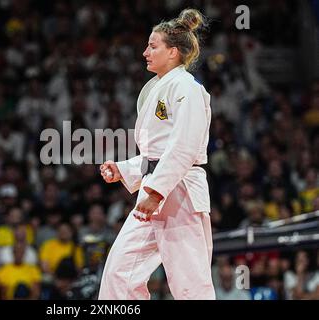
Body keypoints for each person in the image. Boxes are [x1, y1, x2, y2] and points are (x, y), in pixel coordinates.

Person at [98, 9, 215, 300]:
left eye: (153, 46)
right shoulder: (160, 87)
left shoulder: (187, 88)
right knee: (119, 273)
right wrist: (125, 169)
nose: (145, 52)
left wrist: (156, 191)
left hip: (180, 192)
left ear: (173, 52)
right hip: (155, 189)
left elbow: (184, 148)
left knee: (190, 284)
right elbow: (158, 152)